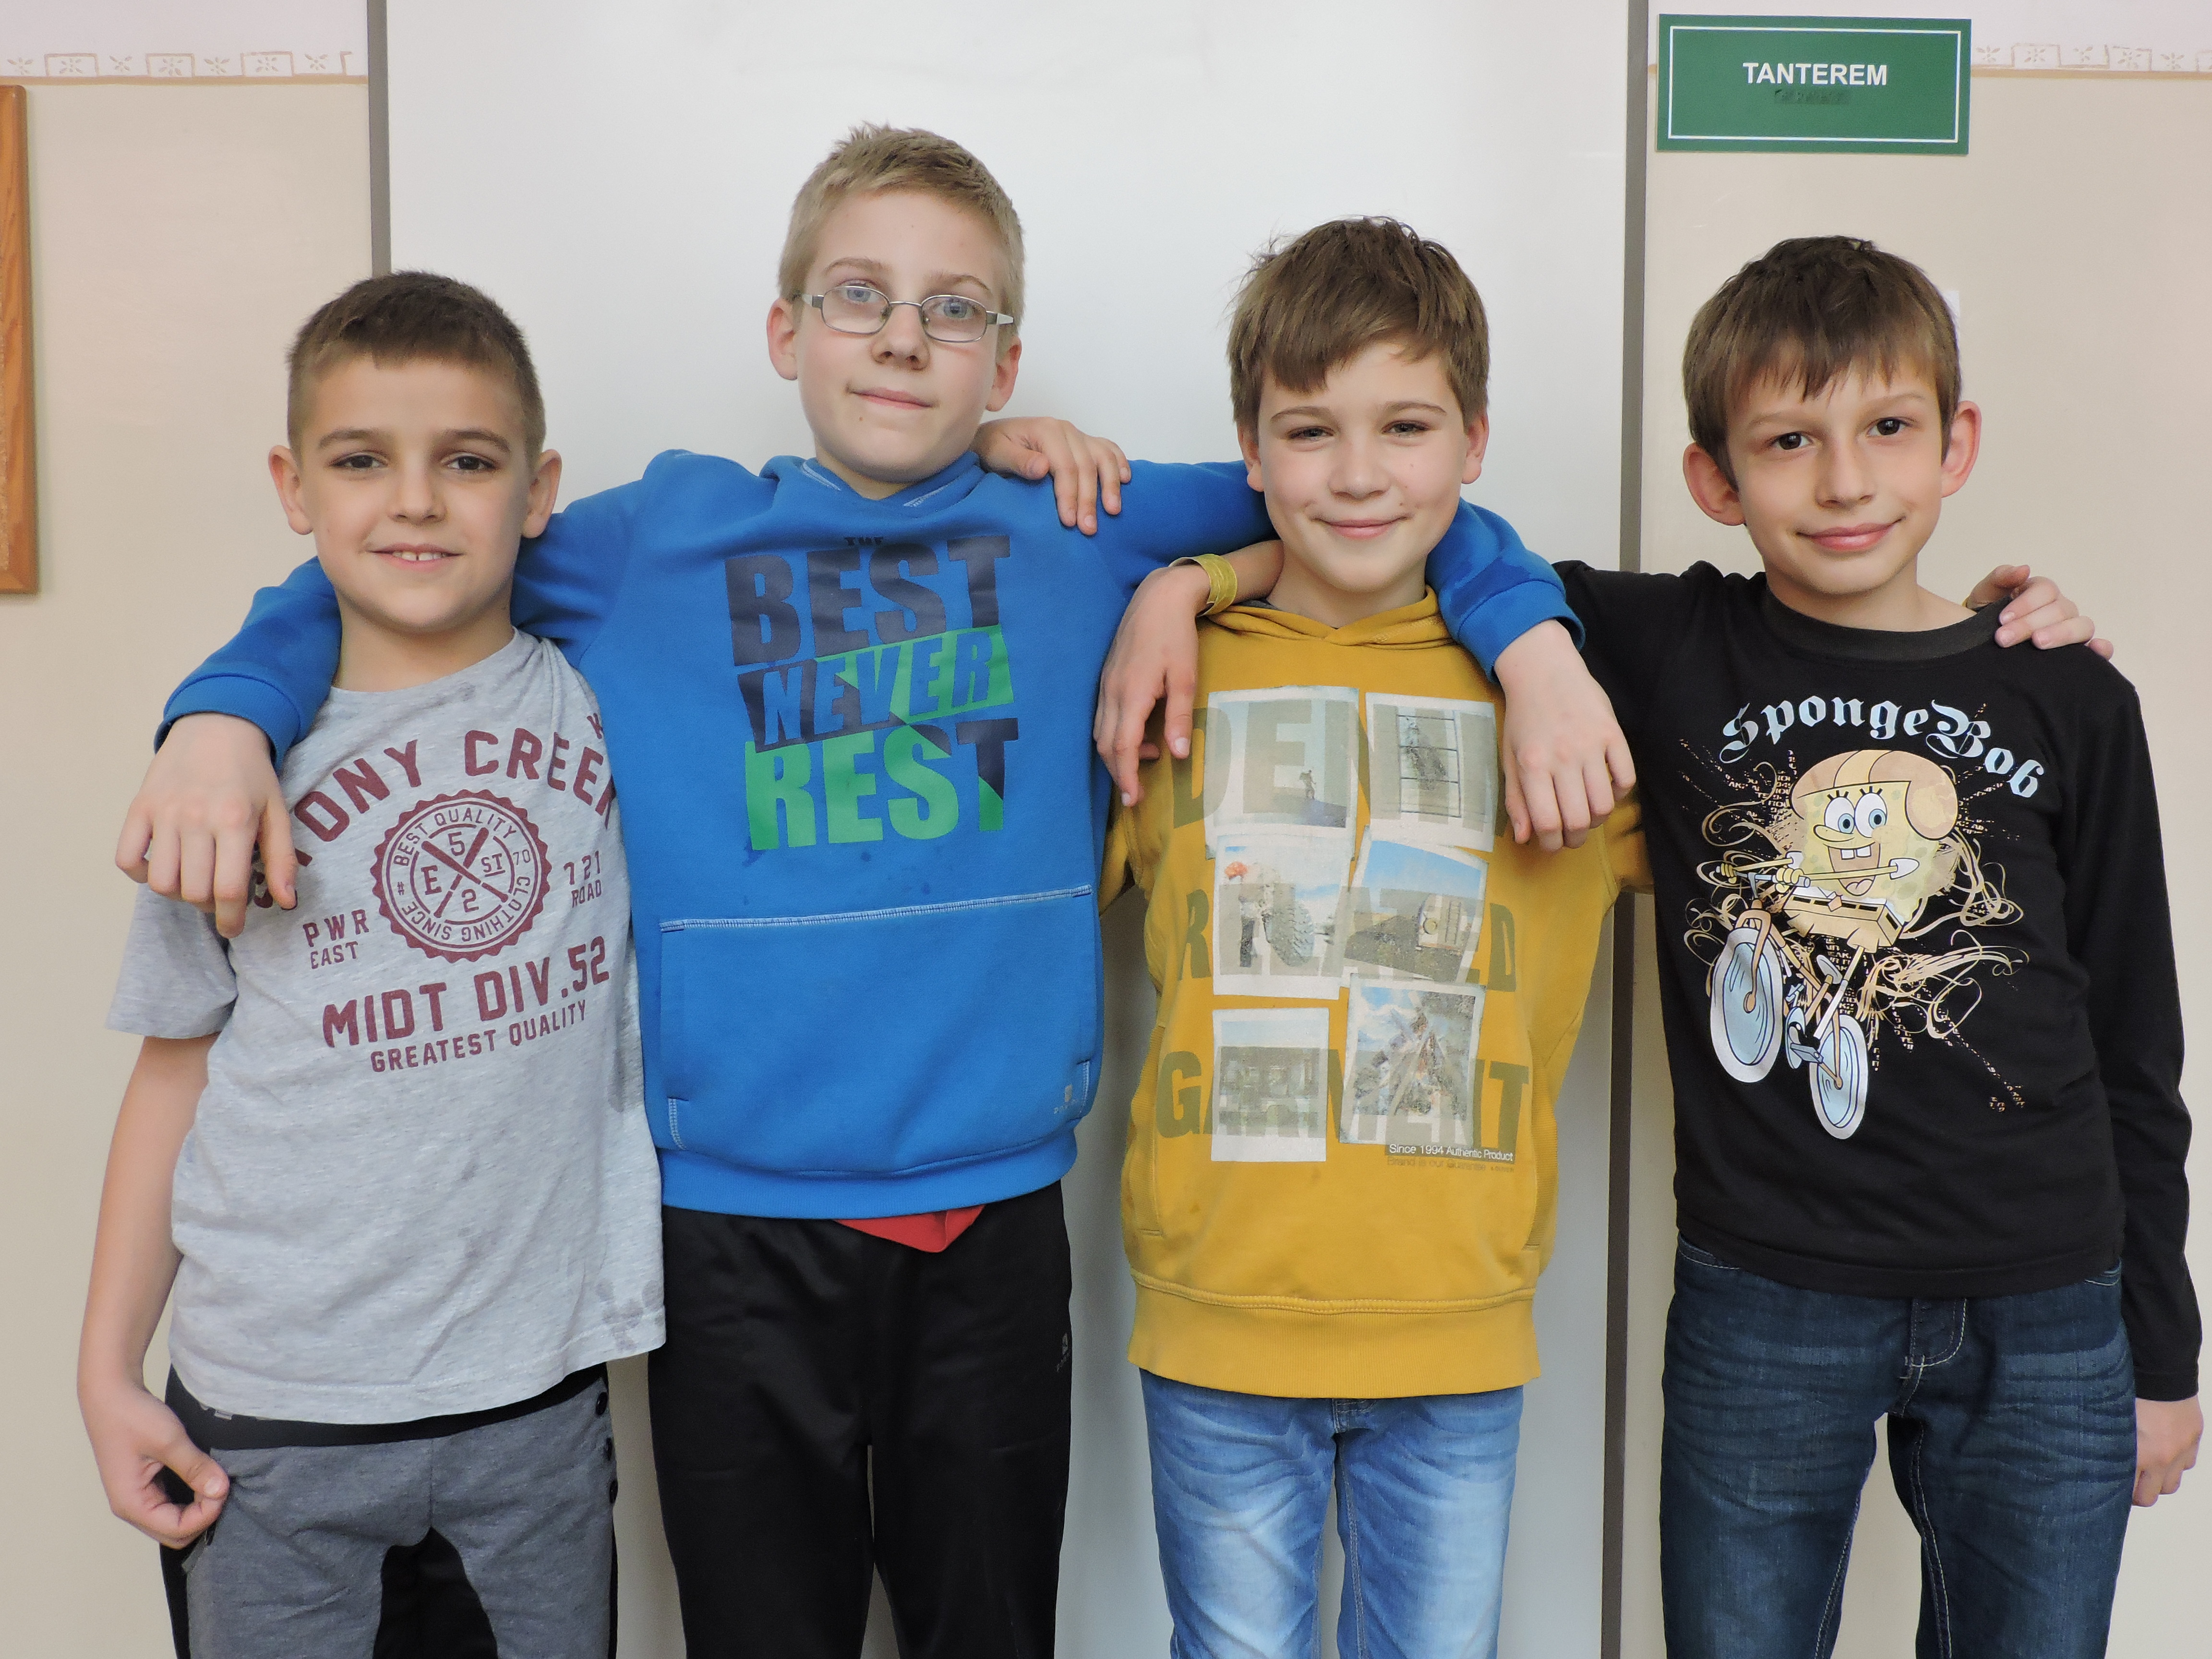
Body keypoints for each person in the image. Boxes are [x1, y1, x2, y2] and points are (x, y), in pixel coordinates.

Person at [106, 127, 1632, 1659]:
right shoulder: (654, 544)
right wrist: (226, 711)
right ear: (785, 332)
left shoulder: (1080, 523)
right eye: (859, 296)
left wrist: (1510, 643)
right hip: (730, 1233)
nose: (904, 337)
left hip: (993, 1219)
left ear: (1003, 360)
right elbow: (403, 551)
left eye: (952, 309)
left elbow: (1370, 505)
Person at [1553, 236, 2200, 1657]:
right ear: (1715, 479)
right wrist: (1536, 651)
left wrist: (2163, 1349)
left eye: (1889, 429)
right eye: (1789, 441)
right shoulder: (1674, 646)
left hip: (2050, 1299)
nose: (1846, 482)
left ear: (1957, 445)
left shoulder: (2068, 695)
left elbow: (2136, 1043)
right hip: (1767, 1291)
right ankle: (1789, 995)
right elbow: (1414, 532)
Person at [77, 273, 665, 1657]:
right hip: (273, 1419)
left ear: (538, 490)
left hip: (530, 1403)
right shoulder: (227, 776)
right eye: (360, 461)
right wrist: (104, 1369)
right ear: (294, 488)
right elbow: (174, 1074)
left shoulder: (600, 705)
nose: (415, 501)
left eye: (467, 462)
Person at [1099, 216, 1648, 1659]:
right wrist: (1178, 581)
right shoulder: (1166, 671)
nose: (1356, 474)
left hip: (1455, 1320)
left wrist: (1997, 643)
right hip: (1218, 1316)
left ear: (1475, 441)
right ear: (1249, 450)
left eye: (1406, 426)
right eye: (1310, 431)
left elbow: (1796, 720)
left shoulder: (1563, 692)